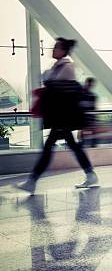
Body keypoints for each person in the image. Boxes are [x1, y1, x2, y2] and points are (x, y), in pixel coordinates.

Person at [17, 38, 98, 195]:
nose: (52, 50)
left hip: (62, 116)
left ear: (63, 50)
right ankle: (90, 174)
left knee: (49, 148)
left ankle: (32, 181)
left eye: (56, 47)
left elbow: (50, 82)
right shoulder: (60, 66)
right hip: (61, 117)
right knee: (71, 146)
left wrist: (47, 79)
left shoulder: (67, 67)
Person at [79, 77, 98, 147]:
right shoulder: (91, 95)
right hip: (85, 118)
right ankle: (91, 145)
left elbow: (92, 107)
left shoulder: (91, 95)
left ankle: (86, 145)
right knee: (87, 132)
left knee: (86, 133)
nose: (91, 86)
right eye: (90, 84)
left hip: (86, 118)